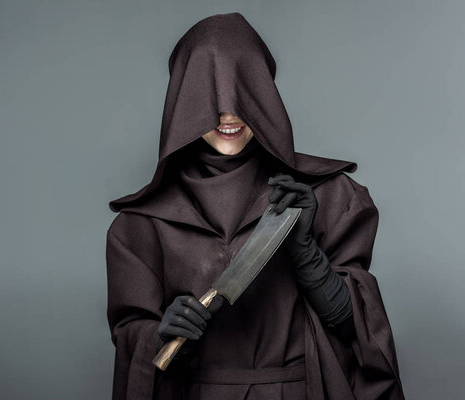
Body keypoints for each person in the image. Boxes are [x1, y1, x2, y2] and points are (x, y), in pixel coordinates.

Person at [106, 12, 405, 400]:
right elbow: (132, 340)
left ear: (262, 95)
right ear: (187, 100)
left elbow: (358, 330)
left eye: (243, 93)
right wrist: (159, 332)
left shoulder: (329, 196)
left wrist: (305, 253)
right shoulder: (140, 226)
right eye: (210, 94)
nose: (228, 114)